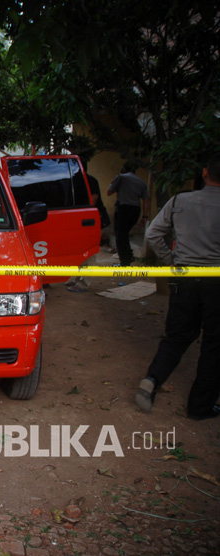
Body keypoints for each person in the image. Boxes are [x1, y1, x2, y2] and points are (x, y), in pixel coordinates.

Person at [135, 154, 220, 420]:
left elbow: (152, 234)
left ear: (205, 173)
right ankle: (200, 407)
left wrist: (172, 260)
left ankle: (152, 379)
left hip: (184, 278)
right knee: (215, 346)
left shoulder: (180, 200)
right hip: (217, 283)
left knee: (178, 336)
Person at [66, 168, 107, 292]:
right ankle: (77, 278)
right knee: (79, 251)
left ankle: (84, 282)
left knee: (89, 252)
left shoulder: (89, 180)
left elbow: (93, 199)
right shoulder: (73, 181)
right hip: (80, 220)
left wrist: (83, 215)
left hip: (88, 221)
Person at [107, 161, 150, 266]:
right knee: (124, 234)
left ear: (124, 169)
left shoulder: (121, 178)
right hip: (135, 210)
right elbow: (146, 200)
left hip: (123, 209)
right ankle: (128, 256)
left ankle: (125, 261)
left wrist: (115, 180)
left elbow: (109, 192)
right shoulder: (141, 182)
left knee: (120, 235)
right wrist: (145, 216)